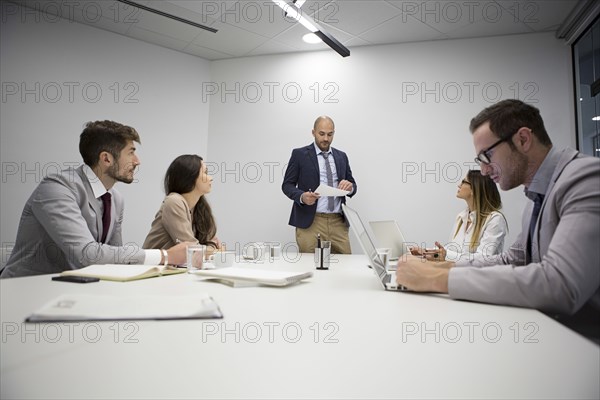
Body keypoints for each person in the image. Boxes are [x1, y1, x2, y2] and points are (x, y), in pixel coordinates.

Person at [396, 99, 600, 340]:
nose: (483, 170)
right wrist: (441, 265)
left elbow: (560, 285)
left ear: (523, 139)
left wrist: (438, 278)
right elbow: (511, 260)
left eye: (487, 156)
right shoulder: (537, 198)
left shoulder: (587, 179)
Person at [0, 120, 189, 278]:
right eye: (131, 152)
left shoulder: (116, 199)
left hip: (72, 290)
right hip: (24, 290)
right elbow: (87, 254)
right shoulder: (56, 188)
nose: (137, 161)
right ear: (106, 158)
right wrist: (165, 255)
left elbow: (115, 259)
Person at [282, 116, 357, 253]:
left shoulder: (342, 156)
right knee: (310, 266)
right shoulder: (299, 155)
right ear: (313, 132)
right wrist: (302, 196)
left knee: (346, 266)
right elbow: (287, 185)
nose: (326, 139)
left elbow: (352, 184)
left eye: (330, 134)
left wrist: (350, 187)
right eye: (321, 134)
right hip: (311, 222)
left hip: (338, 222)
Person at [411, 170, 508, 262]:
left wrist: (446, 255)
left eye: (463, 182)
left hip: (481, 278)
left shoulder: (495, 219)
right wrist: (426, 251)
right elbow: (452, 250)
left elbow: (483, 258)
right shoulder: (462, 217)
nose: (459, 185)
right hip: (460, 275)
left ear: (474, 189)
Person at [143, 154, 221, 252]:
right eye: (205, 172)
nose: (210, 178)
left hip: (174, 266)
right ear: (190, 176)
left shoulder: (200, 208)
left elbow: (209, 243)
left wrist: (211, 246)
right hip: (151, 266)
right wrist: (213, 247)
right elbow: (191, 248)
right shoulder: (173, 201)